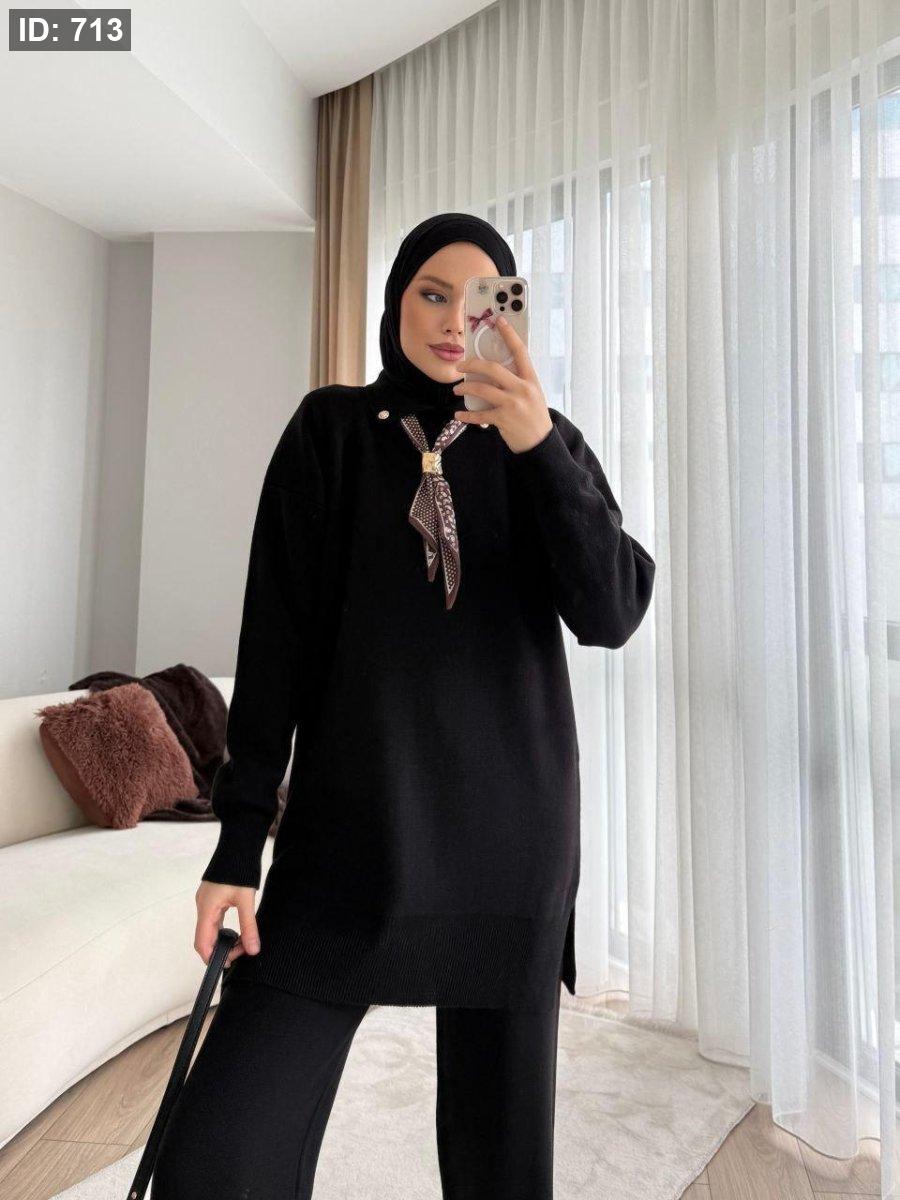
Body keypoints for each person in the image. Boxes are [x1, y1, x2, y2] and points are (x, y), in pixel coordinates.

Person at [150, 212, 655, 1199]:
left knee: (501, 1169)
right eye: (432, 292)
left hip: (509, 850)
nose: (456, 319)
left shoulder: (547, 443)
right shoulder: (330, 433)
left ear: (511, 316)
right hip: (347, 847)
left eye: (484, 300)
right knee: (220, 1158)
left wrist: (537, 447)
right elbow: (275, 652)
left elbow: (612, 612)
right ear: (394, 303)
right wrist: (237, 847)